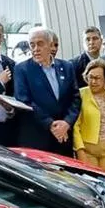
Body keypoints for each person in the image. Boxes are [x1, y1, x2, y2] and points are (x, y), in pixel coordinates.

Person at [14, 27, 81, 155]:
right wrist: (51, 124)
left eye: (40, 44)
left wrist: (67, 123)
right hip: (36, 138)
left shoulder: (67, 67)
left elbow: (76, 98)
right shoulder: (22, 69)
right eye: (32, 45)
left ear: (51, 45)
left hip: (63, 136)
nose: (35, 49)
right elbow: (24, 101)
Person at [72, 59, 105, 172]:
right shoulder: (80, 94)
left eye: (98, 78)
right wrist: (80, 151)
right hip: (87, 150)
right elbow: (76, 126)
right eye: (90, 77)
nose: (93, 82)